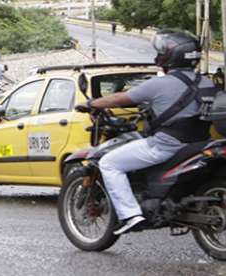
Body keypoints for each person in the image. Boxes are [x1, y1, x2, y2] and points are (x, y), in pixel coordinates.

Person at [76, 30, 215, 235]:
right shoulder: (207, 82)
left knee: (109, 163)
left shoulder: (158, 84)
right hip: (199, 144)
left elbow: (119, 99)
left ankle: (131, 215)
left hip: (166, 146)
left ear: (169, 57)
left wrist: (91, 103)